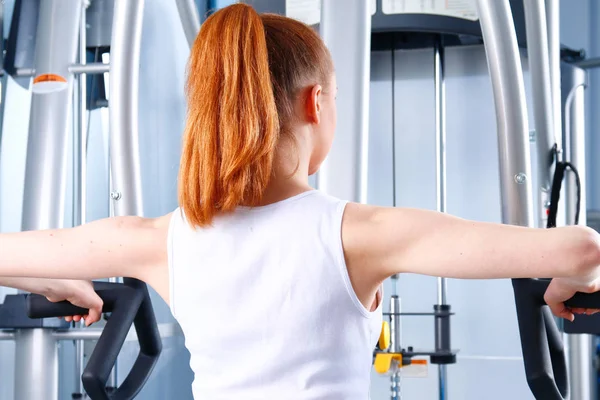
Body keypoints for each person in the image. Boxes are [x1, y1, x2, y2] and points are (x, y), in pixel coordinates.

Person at [0, 3, 599, 398]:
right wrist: (562, 281)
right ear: (316, 103)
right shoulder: (361, 233)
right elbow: (581, 249)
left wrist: (57, 283)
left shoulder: (154, 241)